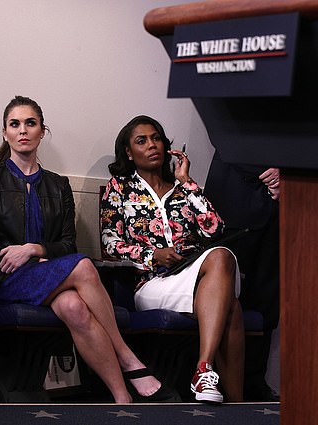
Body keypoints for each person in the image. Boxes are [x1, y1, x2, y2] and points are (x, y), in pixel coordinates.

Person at [0, 96, 174, 404]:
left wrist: (32, 249)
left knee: (75, 308)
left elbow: (67, 243)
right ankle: (128, 357)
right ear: (5, 133)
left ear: (42, 131)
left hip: (48, 277)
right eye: (15, 124)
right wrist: (24, 256)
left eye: (30, 123)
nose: (23, 130)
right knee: (82, 266)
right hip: (3, 279)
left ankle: (122, 399)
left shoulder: (58, 184)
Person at [100, 115, 245, 403]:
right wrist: (153, 255)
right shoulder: (120, 188)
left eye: (156, 138)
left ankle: (208, 375)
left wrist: (187, 182)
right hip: (153, 283)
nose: (152, 145)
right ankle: (226, 394)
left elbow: (215, 229)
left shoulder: (183, 188)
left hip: (198, 274)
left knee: (221, 255)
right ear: (129, 153)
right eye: (141, 141)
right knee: (232, 305)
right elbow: (110, 244)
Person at [204, 157, 280, 402]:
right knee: (228, 300)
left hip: (281, 208)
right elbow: (226, 136)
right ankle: (215, 381)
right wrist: (272, 172)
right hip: (234, 200)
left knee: (268, 300)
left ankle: (255, 380)